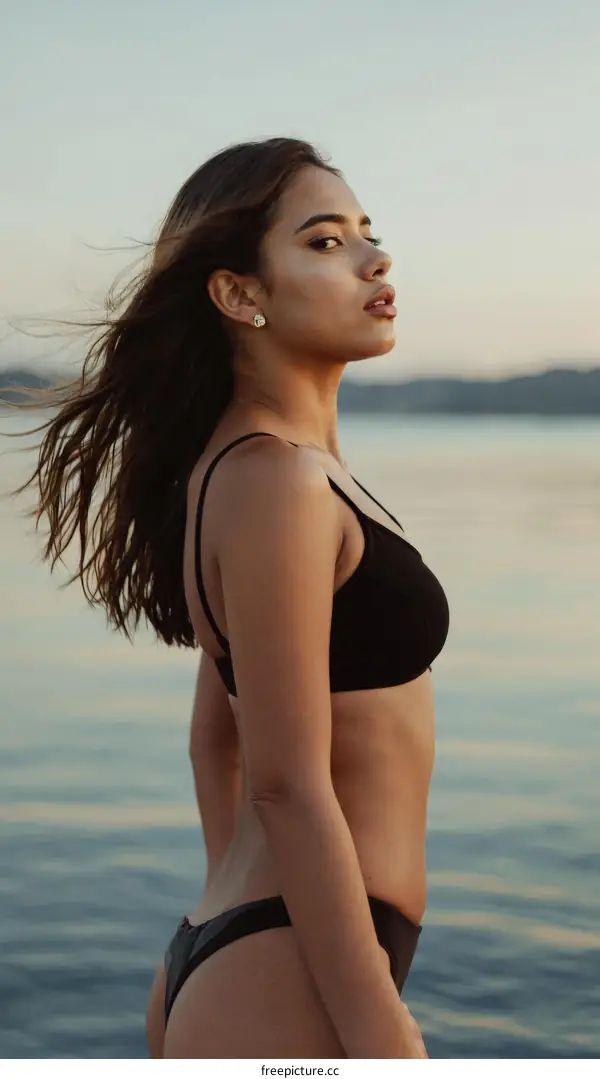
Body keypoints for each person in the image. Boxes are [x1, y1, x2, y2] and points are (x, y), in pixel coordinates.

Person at [9, 137, 450, 1058]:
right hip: (291, 973)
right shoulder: (276, 481)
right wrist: (378, 1027)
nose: (376, 257)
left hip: (265, 945)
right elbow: (286, 782)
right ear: (240, 294)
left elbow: (217, 731)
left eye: (368, 233)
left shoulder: (277, 472)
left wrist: (230, 890)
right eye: (325, 242)